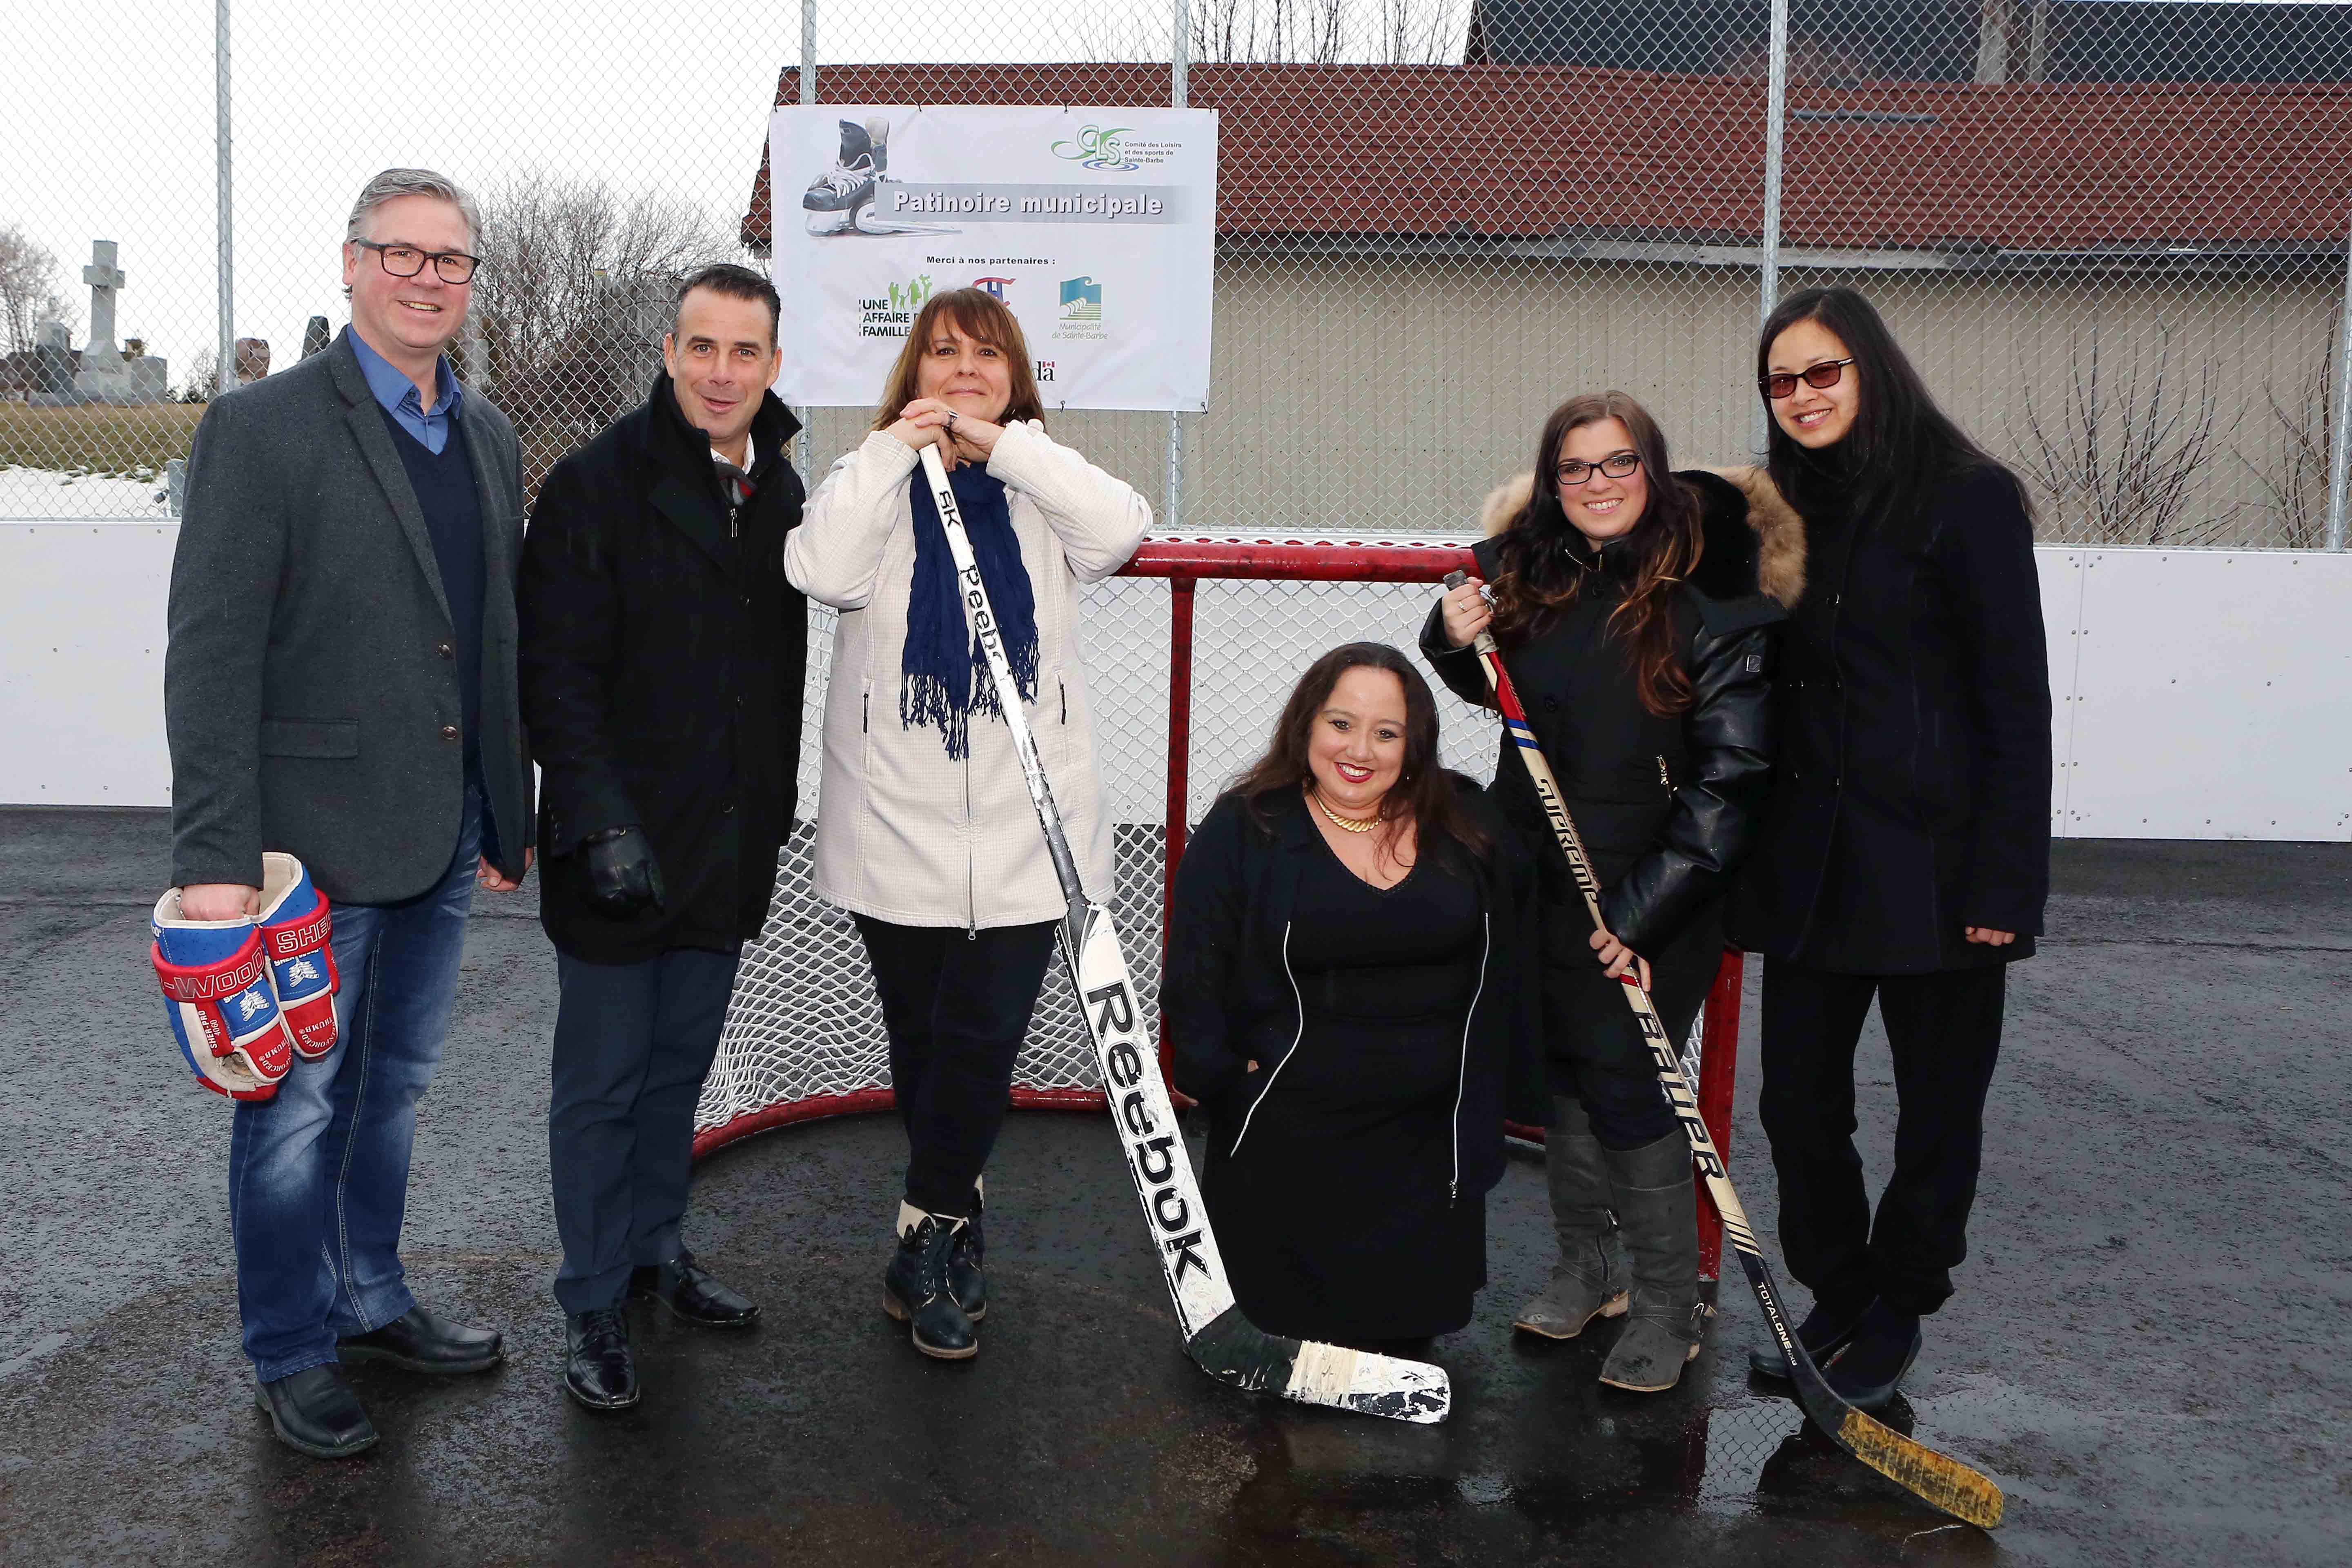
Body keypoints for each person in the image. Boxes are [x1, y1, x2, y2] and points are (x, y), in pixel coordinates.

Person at [164, 168, 532, 1459]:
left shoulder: (486, 435)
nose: (430, 278)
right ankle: (290, 1343)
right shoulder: (260, 429)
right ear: (351, 263)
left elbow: (490, 637)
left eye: (453, 261)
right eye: (405, 254)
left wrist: (506, 808)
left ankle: (371, 1297)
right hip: (301, 849)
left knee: (391, 1092)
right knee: (298, 1105)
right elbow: (210, 651)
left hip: (437, 835)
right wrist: (213, 857)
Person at [784, 287, 1150, 1359]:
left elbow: (1121, 529)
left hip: (1031, 825)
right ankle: (949, 1227)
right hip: (895, 818)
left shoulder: (1042, 485)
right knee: (923, 1037)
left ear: (1014, 376)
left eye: (986, 356)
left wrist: (1012, 447)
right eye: (941, 353)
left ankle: (930, 1231)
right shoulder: (878, 479)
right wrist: (899, 450)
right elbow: (821, 568)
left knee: (981, 1041)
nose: (962, 371)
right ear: (910, 372)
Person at [1423, 390, 1791, 1392]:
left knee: (1629, 1086)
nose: (1597, 485)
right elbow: (1484, 680)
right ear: (1552, 481)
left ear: (1653, 470)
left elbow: (1730, 789)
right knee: (1561, 1076)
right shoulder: (1523, 575)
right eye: (1576, 468)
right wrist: (1451, 634)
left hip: (1654, 890)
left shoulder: (1714, 596)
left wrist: (1639, 917)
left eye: (1617, 464)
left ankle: (1670, 1303)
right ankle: (1590, 1269)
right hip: (1537, 871)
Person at [1727, 287, 2050, 1411]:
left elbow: (2017, 702)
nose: (1802, 395)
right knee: (1798, 1104)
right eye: (1782, 380)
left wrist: (2007, 881)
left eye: (1823, 372)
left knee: (1938, 1105)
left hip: (1942, 869)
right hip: (1812, 867)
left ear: (1872, 371)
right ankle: (1839, 1289)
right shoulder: (1773, 513)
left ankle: (1901, 1303)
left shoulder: (1969, 499)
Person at [518, 264, 808, 1411]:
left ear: (775, 366)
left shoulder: (783, 493)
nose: (722, 373)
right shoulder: (597, 488)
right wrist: (597, 820)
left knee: (678, 1071)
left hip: (727, 848)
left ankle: (653, 1252)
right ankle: (592, 1296)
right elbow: (556, 672)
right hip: (621, 852)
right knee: (601, 1082)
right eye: (702, 348)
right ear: (670, 353)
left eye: (745, 353)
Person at [1165, 645, 1537, 1348]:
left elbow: (1537, 919)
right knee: (1284, 1340)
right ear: (1306, 725)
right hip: (1295, 1145)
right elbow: (1194, 971)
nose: (1359, 749)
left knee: (1408, 1345)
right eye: (1341, 723)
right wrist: (1219, 1080)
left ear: (1415, 744)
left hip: (1426, 1149)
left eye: (1386, 733)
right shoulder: (1249, 826)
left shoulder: (1465, 822)